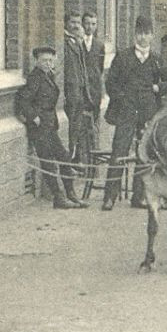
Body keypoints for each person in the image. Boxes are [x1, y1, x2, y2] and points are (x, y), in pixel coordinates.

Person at [104, 15, 167, 210]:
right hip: (126, 112)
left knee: (145, 155)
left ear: (152, 36)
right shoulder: (123, 57)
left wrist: (159, 88)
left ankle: (139, 197)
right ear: (135, 35)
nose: (143, 38)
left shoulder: (157, 60)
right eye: (140, 33)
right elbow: (110, 84)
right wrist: (122, 99)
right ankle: (110, 197)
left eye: (147, 34)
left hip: (148, 113)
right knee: (119, 152)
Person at [18, 45, 80, 209]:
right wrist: (33, 117)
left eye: (50, 60)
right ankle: (58, 198)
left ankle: (71, 193)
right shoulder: (35, 78)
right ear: (36, 61)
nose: (47, 63)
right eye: (44, 60)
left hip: (50, 125)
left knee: (64, 157)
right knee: (48, 162)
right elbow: (23, 100)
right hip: (39, 129)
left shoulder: (48, 76)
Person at [63, 12, 100, 199]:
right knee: (71, 133)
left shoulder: (77, 42)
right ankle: (70, 164)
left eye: (78, 22)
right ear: (66, 23)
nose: (77, 26)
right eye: (73, 22)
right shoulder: (65, 43)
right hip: (71, 94)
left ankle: (77, 162)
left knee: (78, 131)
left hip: (81, 95)